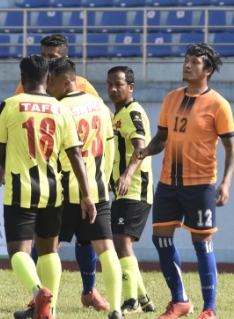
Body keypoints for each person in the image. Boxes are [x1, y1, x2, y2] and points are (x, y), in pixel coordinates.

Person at [0, 54, 97, 319]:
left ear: (22, 79)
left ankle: (38, 293)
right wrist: (86, 195)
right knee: (49, 251)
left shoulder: (10, 105)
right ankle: (52, 310)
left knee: (18, 251)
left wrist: (8, 164)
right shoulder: (62, 110)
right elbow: (75, 155)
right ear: (48, 79)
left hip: (20, 189)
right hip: (53, 190)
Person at [135, 44, 234, 319]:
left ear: (208, 70)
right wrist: (146, 150)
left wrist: (226, 183)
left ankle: (209, 308)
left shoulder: (218, 104)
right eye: (186, 60)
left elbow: (232, 149)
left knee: (202, 244)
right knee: (161, 239)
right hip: (168, 183)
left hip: (201, 185)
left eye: (194, 62)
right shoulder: (171, 98)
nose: (187, 65)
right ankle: (179, 300)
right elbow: (162, 138)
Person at [10, 33, 107, 312]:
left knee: (84, 237)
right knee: (46, 241)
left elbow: (101, 123)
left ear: (64, 57)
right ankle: (39, 299)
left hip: (77, 173)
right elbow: (17, 126)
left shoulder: (83, 86)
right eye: (44, 55)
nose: (47, 61)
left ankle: (89, 290)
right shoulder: (25, 86)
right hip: (46, 174)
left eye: (52, 57)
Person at [47, 58, 123, 319]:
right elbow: (110, 149)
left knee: (49, 249)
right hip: (97, 191)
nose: (48, 87)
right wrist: (105, 181)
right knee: (106, 249)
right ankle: (116, 308)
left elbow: (52, 152)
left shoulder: (58, 108)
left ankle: (47, 308)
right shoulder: (100, 106)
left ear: (67, 83)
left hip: (63, 192)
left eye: (52, 83)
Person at [105, 65, 155, 315]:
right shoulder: (119, 114)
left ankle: (130, 301)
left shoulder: (133, 112)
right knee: (120, 243)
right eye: (109, 84)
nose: (113, 89)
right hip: (123, 191)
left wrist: (126, 175)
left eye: (119, 84)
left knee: (121, 242)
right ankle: (143, 298)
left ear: (131, 87)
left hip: (134, 188)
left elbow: (140, 148)